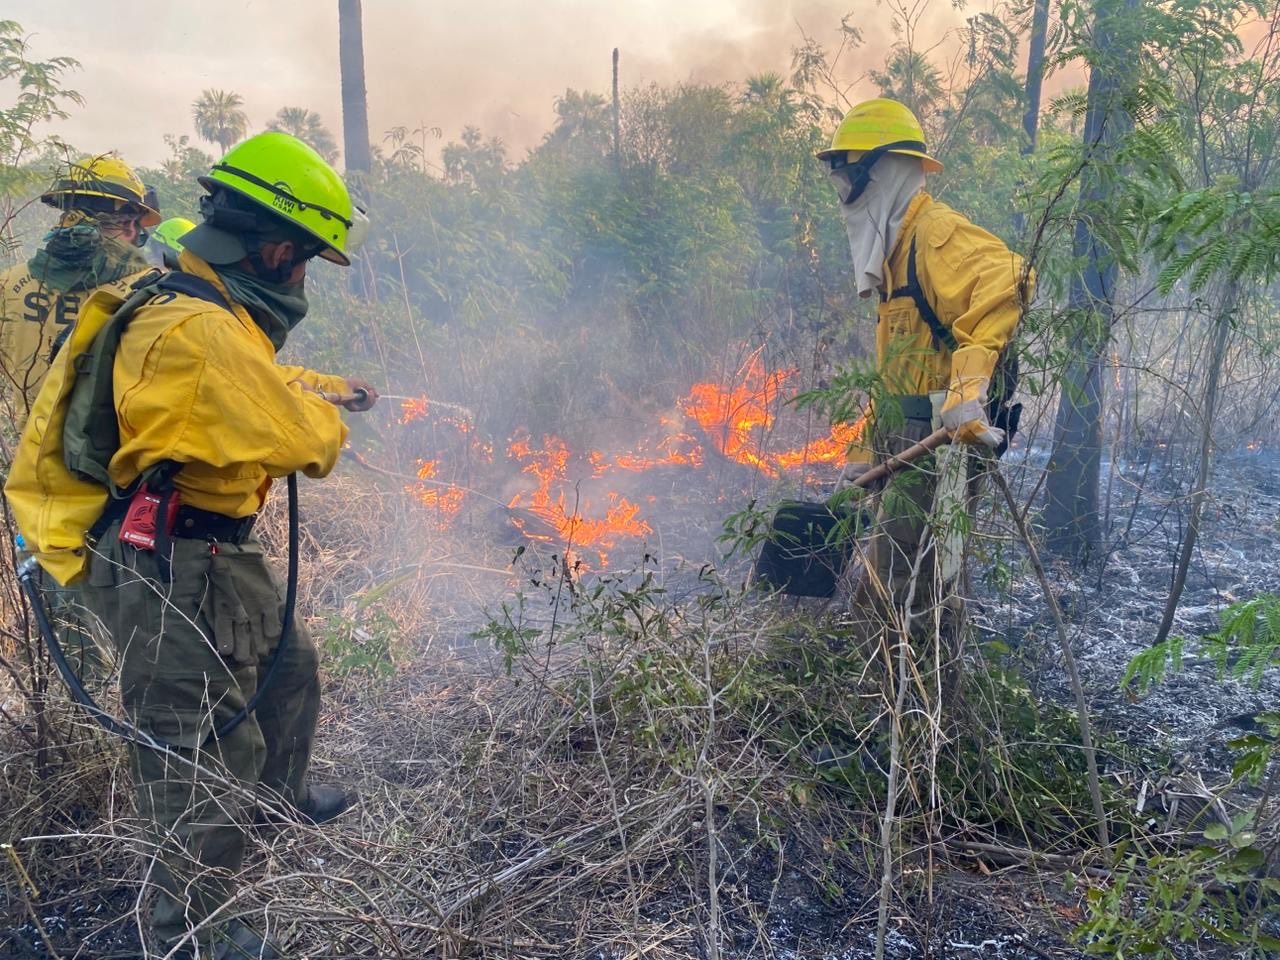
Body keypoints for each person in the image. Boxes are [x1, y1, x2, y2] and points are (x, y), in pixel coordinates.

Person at [7, 131, 378, 960]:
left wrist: (326, 389)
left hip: (208, 544)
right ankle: (201, 930)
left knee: (288, 666)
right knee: (202, 743)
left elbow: (267, 385)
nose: (303, 277)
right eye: (307, 259)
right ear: (278, 249)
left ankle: (277, 802)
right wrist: (323, 412)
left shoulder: (201, 302)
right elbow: (302, 441)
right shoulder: (196, 330)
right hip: (160, 556)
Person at [820, 98, 1030, 639]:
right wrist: (869, 448)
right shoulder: (895, 249)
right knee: (906, 577)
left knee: (901, 587)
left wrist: (967, 390)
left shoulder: (934, 233)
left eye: (851, 174)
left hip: (940, 441)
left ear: (885, 171)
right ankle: (906, 693)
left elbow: (1008, 276)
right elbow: (900, 366)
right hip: (908, 433)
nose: (844, 190)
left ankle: (906, 703)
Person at [0, 154, 159, 419]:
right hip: (105, 457)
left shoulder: (8, 284)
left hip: (30, 452)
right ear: (131, 225)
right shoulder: (148, 290)